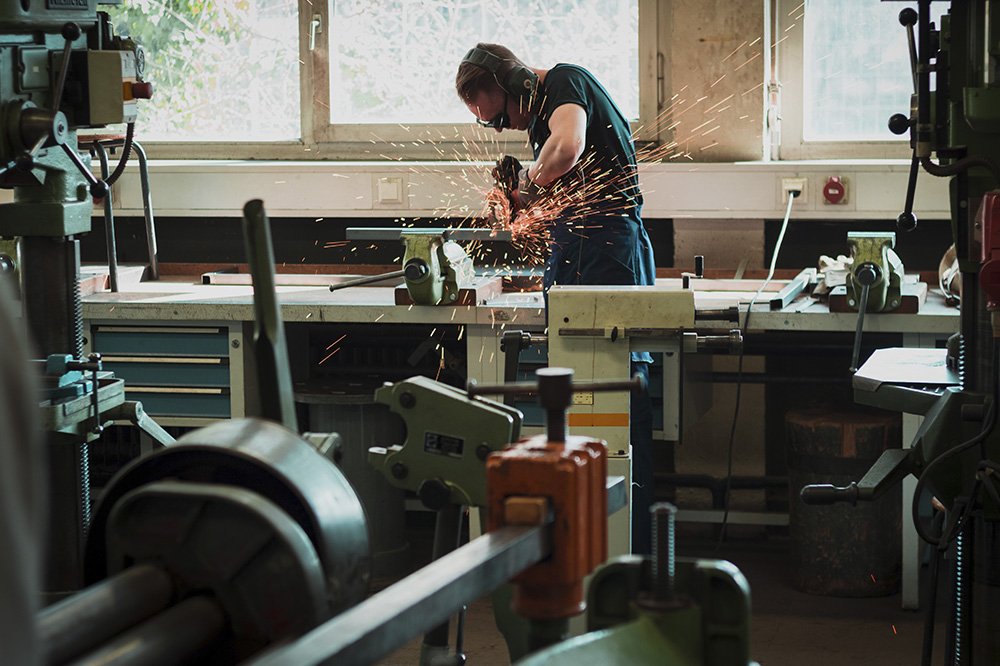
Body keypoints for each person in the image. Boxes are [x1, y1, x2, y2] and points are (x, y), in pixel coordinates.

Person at [456, 43, 657, 555]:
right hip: (578, 250)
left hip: (607, 251)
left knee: (617, 396)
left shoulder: (565, 82)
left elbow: (567, 148)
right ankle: (588, 543)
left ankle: (628, 550)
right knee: (580, 396)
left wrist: (525, 185)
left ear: (517, 82)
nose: (501, 128)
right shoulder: (540, 117)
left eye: (499, 116)